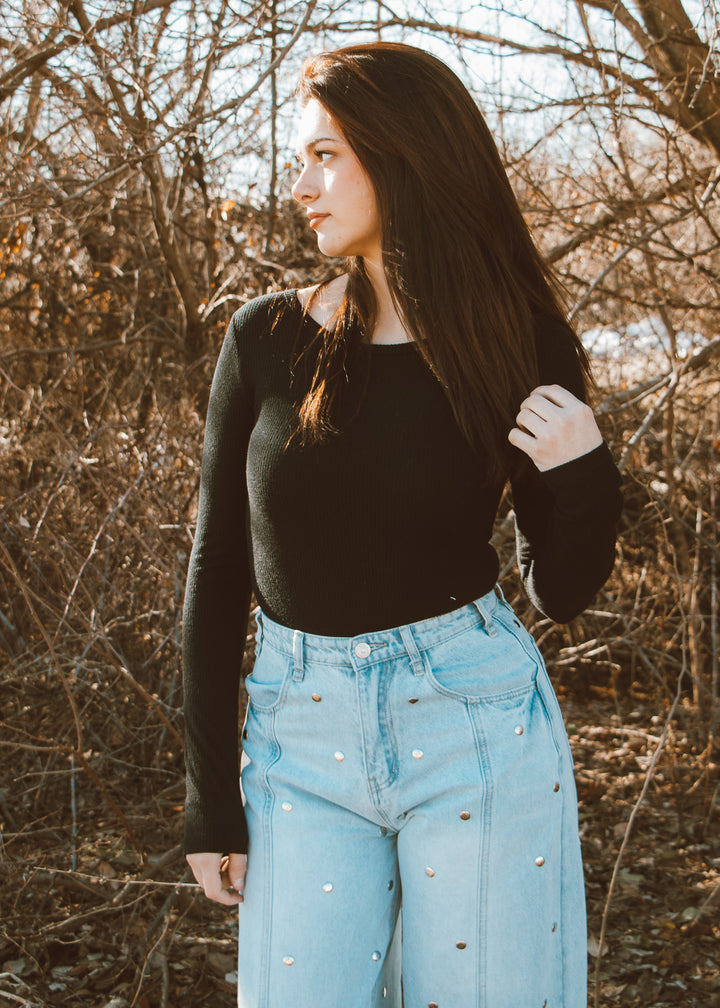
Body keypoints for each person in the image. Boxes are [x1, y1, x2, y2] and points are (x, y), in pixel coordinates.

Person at [182, 42, 623, 1008]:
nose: (300, 184)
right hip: (296, 744)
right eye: (301, 157)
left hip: (476, 723)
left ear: (407, 154)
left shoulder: (519, 338)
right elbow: (217, 570)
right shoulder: (265, 336)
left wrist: (586, 476)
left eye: (327, 155)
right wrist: (210, 801)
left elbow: (562, 588)